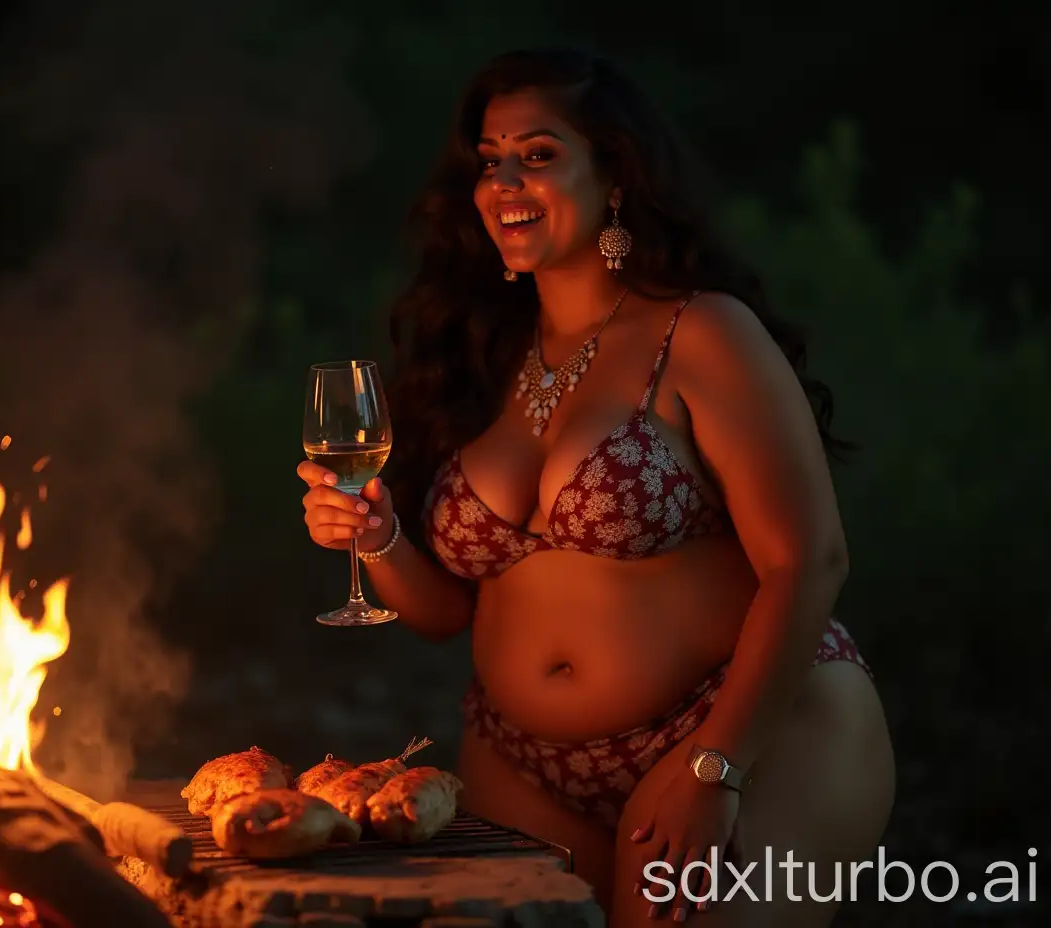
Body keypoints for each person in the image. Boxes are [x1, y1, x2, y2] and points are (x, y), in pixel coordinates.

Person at [298, 47, 895, 927]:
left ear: (614, 170)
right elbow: (445, 613)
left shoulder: (700, 331)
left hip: (743, 729)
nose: (504, 179)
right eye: (489, 160)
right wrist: (379, 538)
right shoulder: (481, 355)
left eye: (537, 155)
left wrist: (716, 762)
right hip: (521, 759)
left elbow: (811, 561)